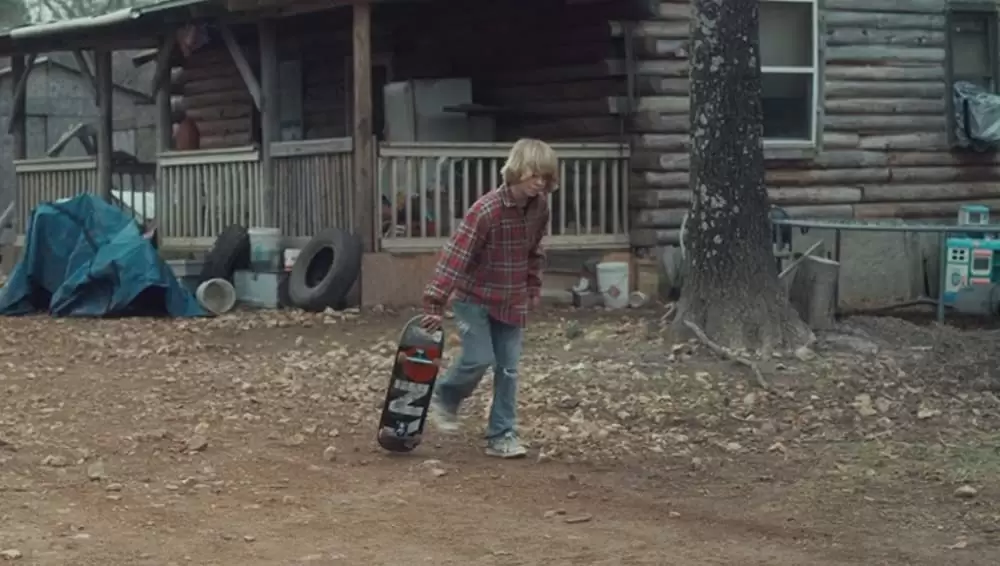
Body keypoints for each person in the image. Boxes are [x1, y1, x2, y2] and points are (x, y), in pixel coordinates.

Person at [420, 138, 557, 458]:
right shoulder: (486, 210)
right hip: (474, 298)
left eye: (546, 177)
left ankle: (502, 434)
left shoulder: (540, 207)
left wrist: (533, 287)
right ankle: (446, 396)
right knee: (480, 358)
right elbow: (455, 256)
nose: (540, 183)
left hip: (512, 299)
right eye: (534, 175)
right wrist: (434, 302)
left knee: (508, 369)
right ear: (517, 170)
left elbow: (535, 251)